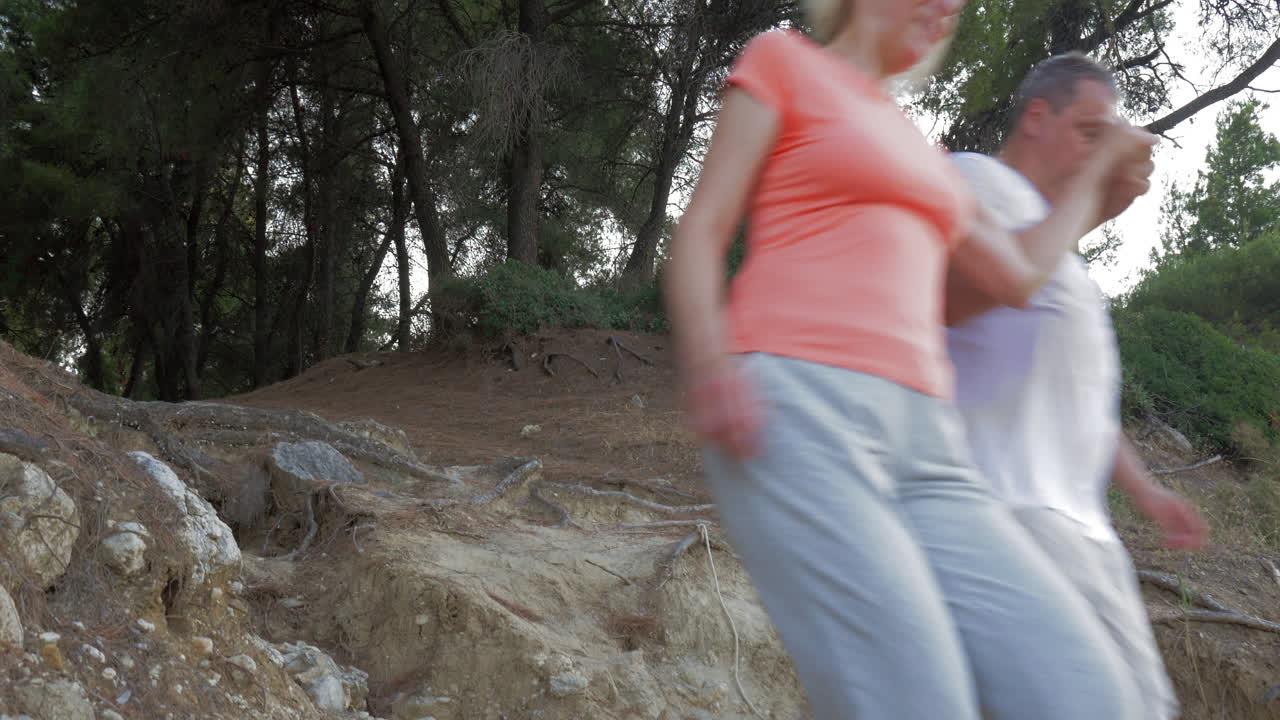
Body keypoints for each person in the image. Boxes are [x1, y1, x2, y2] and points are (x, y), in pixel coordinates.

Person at [663, 0, 1157, 717]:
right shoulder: (785, 60)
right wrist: (710, 363)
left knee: (1087, 695)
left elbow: (1019, 274)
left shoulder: (922, 150)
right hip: (802, 408)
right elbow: (704, 227)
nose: (949, 8)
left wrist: (1098, 189)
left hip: (934, 453)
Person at [945, 52, 1209, 720]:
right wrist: (1096, 189)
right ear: (1037, 117)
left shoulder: (1063, 253)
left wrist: (1146, 491)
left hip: (1085, 529)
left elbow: (1079, 397)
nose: (1102, 150)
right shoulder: (974, 181)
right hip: (1006, 506)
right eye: (1091, 132)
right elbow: (981, 287)